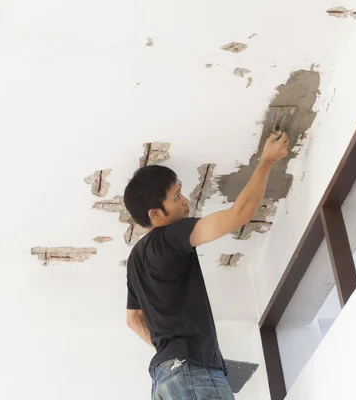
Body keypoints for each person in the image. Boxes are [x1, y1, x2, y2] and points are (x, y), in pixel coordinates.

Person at [123, 132, 289, 400]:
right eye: (177, 197)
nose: (185, 201)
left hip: (163, 381)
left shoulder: (135, 260)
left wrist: (168, 350)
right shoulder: (171, 236)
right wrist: (267, 161)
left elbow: (133, 320)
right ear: (155, 214)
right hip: (190, 374)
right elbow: (239, 215)